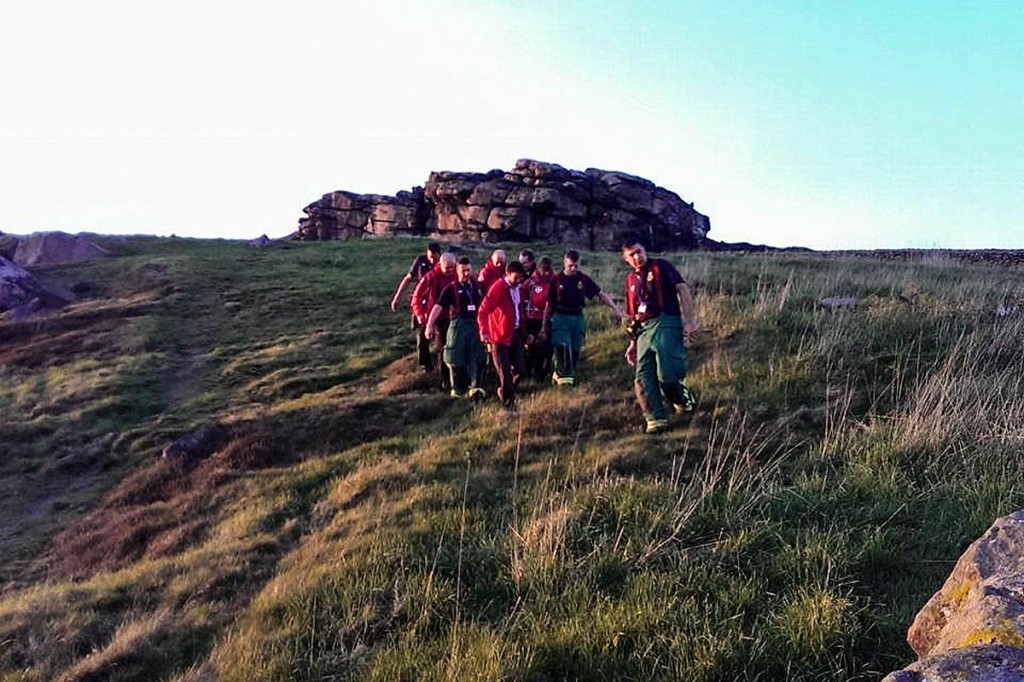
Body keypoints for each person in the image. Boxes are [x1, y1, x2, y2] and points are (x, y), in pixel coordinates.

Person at [620, 237, 700, 434]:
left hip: (666, 323)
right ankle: (655, 419)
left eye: (639, 251)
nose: (637, 256)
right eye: (632, 254)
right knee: (642, 377)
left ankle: (683, 399)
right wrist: (632, 343)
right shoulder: (630, 280)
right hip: (643, 331)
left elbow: (682, 289)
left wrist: (689, 321)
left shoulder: (661, 267)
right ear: (625, 258)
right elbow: (632, 315)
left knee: (667, 376)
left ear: (644, 250)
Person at [541, 250, 623, 386]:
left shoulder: (583, 279)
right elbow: (549, 304)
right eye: (570, 266)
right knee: (563, 349)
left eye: (576, 266)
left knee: (574, 351)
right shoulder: (556, 280)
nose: (573, 269)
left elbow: (600, 294)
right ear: (564, 263)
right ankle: (565, 385)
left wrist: (615, 308)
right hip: (560, 318)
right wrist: (544, 325)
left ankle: (562, 375)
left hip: (576, 318)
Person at [425, 257, 486, 399]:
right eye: (462, 271)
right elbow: (438, 307)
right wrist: (429, 324)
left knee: (477, 356)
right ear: (457, 271)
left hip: (476, 325)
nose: (466, 273)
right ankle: (457, 389)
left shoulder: (477, 286)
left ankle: (475, 387)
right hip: (459, 325)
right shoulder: (451, 288)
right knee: (455, 357)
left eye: (468, 270)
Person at [478, 261, 527, 410]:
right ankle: (509, 404)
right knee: (504, 371)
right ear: (508, 274)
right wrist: (484, 331)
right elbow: (483, 311)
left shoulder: (518, 288)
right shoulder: (498, 288)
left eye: (520, 278)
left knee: (520, 369)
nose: (519, 280)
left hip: (516, 333)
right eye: (516, 277)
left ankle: (506, 390)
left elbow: (519, 310)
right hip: (499, 338)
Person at [390, 242, 441, 372]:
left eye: (434, 258)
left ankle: (441, 363)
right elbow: (408, 278)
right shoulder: (420, 261)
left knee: (439, 334)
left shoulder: (443, 264)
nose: (431, 260)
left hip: (437, 302)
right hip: (421, 302)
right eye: (429, 257)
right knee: (421, 334)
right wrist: (397, 297)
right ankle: (426, 365)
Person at [411, 252, 457, 389]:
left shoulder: (456, 274)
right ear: (440, 264)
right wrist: (419, 314)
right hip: (436, 318)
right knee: (442, 347)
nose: (450, 270)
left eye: (452, 267)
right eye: (447, 268)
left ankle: (457, 377)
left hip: (453, 317)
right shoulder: (431, 276)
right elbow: (416, 297)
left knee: (454, 346)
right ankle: (445, 380)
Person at [522, 255, 554, 382]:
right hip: (532, 320)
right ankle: (530, 374)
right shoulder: (531, 282)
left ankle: (543, 374)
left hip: (548, 320)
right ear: (539, 269)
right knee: (532, 348)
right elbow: (520, 297)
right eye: (544, 270)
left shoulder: (554, 281)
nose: (546, 273)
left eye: (548, 270)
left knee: (547, 348)